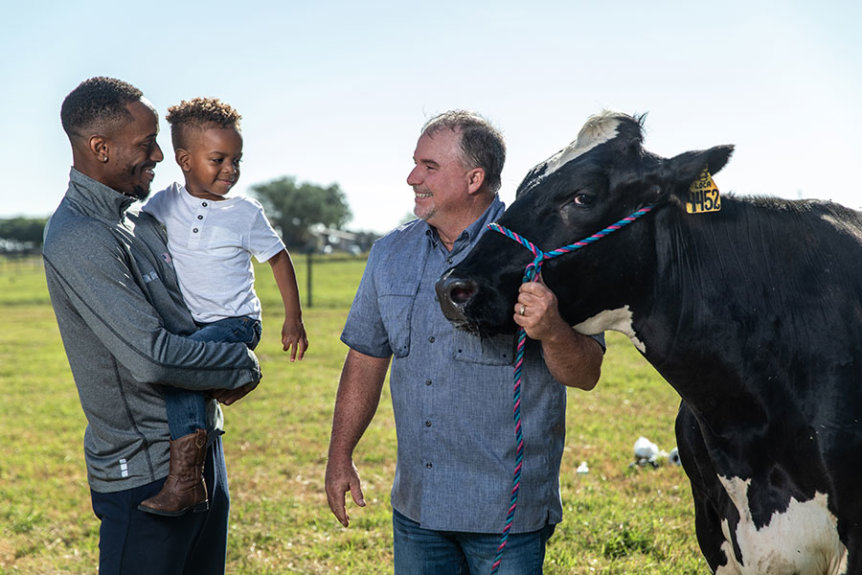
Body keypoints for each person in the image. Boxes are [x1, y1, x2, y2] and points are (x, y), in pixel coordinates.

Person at [324, 110, 605, 574]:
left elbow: (586, 374)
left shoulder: (544, 253)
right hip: (417, 508)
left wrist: (553, 328)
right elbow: (366, 360)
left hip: (505, 516)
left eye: (429, 166)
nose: (412, 176)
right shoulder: (389, 254)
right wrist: (339, 458)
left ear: (474, 178)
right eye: (415, 163)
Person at [43, 76, 261, 575]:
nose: (161, 155)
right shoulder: (79, 236)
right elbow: (152, 355)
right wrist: (239, 362)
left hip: (204, 451)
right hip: (143, 475)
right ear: (99, 147)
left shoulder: (139, 221)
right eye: (145, 145)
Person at [137, 97, 308, 516]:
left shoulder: (244, 213)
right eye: (218, 159)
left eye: (237, 160)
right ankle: (229, 378)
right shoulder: (163, 203)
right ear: (184, 159)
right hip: (191, 326)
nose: (230, 169)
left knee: (181, 372)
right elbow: (134, 230)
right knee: (184, 367)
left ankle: (186, 481)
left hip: (236, 323)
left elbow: (279, 258)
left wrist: (294, 318)